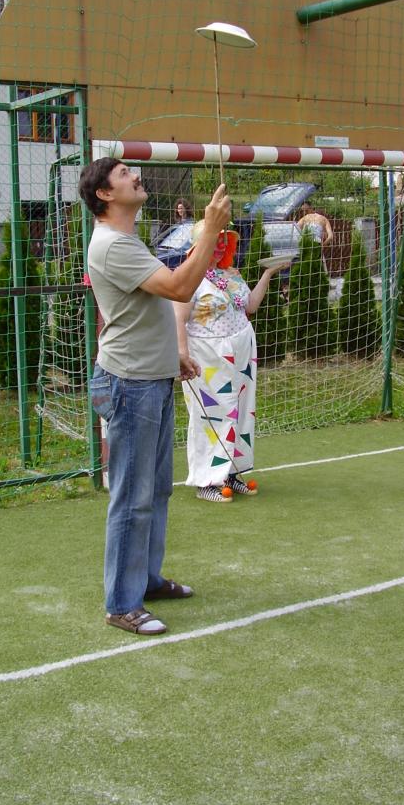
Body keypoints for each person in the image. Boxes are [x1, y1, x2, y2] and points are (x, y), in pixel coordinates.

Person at [79, 157, 231, 636]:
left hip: (151, 378)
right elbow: (179, 288)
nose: (135, 176)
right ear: (105, 194)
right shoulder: (111, 245)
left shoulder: (126, 240)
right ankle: (122, 604)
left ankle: (145, 580)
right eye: (124, 174)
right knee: (132, 498)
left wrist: (173, 355)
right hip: (129, 386)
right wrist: (210, 229)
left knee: (156, 490)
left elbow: (150, 307)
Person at [174, 222, 289, 503]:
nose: (220, 246)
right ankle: (207, 480)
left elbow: (250, 306)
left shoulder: (231, 274)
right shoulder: (189, 277)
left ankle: (231, 473)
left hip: (241, 352)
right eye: (215, 240)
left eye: (225, 241)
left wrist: (268, 274)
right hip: (208, 355)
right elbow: (178, 318)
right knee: (212, 414)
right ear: (200, 244)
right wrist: (182, 354)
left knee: (241, 410)